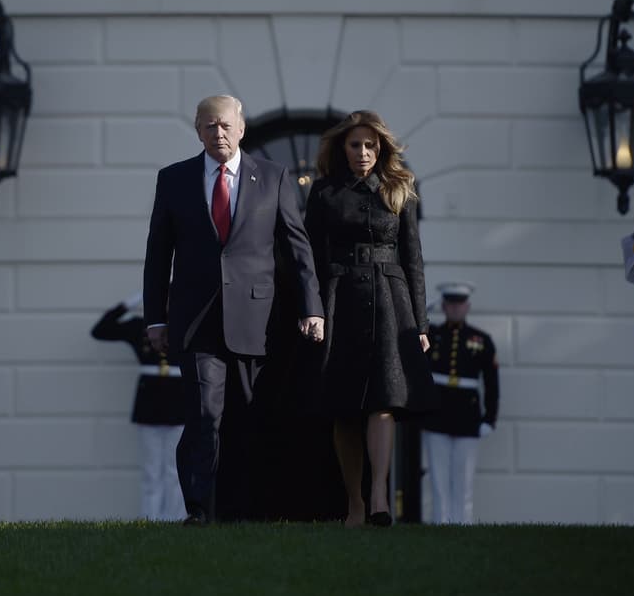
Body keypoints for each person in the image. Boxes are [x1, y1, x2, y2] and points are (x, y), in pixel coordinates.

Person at [142, 95, 323, 526]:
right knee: (205, 414)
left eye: (224, 125)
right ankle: (201, 509)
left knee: (246, 415)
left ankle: (241, 509)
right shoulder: (174, 179)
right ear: (198, 130)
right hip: (196, 319)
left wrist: (310, 306)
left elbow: (297, 248)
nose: (217, 133)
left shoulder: (274, 177)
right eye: (208, 126)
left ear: (241, 128)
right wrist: (155, 317)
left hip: (255, 319)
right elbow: (157, 254)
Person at [304, 110, 435, 528]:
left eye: (370, 145)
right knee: (344, 408)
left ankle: (380, 493)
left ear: (381, 148)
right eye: (355, 144)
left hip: (390, 303)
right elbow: (309, 258)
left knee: (384, 401)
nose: (363, 152)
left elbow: (413, 259)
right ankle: (355, 503)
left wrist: (421, 324)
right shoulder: (324, 193)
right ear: (342, 148)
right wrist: (313, 308)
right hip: (339, 299)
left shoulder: (400, 189)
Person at [91, 293, 186, 521]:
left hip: (179, 401)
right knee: (152, 469)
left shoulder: (186, 324)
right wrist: (128, 304)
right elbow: (100, 330)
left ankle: (175, 519)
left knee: (176, 469)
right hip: (149, 404)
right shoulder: (140, 327)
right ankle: (150, 519)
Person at [420, 282, 498, 525]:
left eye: (459, 303)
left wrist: (489, 418)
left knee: (463, 479)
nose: (455, 308)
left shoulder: (482, 340)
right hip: (437, 414)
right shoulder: (431, 335)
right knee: (438, 478)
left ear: (467, 306)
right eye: (450, 304)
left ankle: (462, 524)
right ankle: (440, 524)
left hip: (467, 415)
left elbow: (492, 383)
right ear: (443, 306)